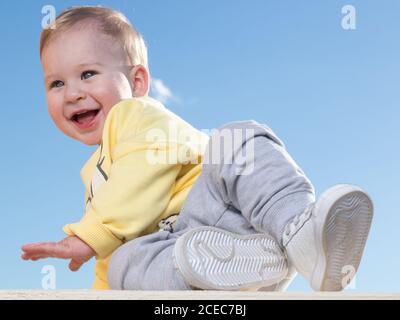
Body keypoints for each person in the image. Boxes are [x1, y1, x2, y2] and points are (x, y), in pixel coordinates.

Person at [22, 6, 374, 292]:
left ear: (137, 82)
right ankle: (222, 272)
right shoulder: (95, 178)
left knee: (236, 140)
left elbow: (140, 171)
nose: (72, 93)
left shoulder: (133, 117)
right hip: (204, 262)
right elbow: (109, 253)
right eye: (56, 83)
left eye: (87, 74)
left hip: (220, 209)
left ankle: (301, 233)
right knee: (121, 264)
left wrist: (89, 237)